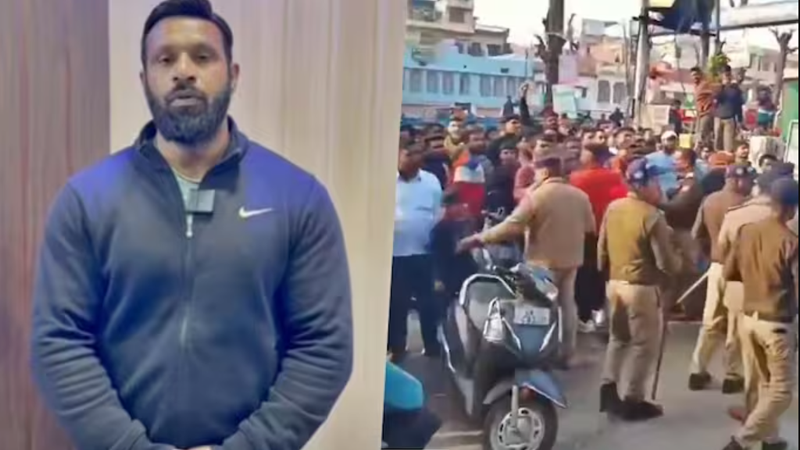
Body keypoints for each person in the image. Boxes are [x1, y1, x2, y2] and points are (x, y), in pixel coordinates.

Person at [30, 2, 353, 450]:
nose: (183, 71)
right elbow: (59, 342)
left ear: (233, 75)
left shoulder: (298, 197)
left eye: (202, 56)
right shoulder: (86, 200)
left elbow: (323, 346)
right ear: (144, 79)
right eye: (165, 59)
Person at [459, 150, 596, 367]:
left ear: (544, 171)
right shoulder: (580, 196)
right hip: (571, 260)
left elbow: (511, 226)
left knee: (537, 308)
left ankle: (538, 354)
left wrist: (478, 238)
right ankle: (567, 354)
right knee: (567, 305)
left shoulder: (537, 196)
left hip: (542, 263)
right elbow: (590, 227)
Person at [597, 157, 682, 421]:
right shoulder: (653, 217)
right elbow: (666, 263)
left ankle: (608, 386)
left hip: (615, 282)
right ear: (643, 185)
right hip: (641, 287)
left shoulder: (614, 208)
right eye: (656, 182)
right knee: (644, 345)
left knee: (618, 338)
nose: (659, 188)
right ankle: (633, 400)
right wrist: (677, 261)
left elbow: (602, 248)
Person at [721, 177, 798, 450]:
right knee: (782, 391)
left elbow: (729, 272)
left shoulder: (747, 231)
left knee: (766, 383)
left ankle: (770, 439)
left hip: (749, 317)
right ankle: (741, 441)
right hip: (777, 322)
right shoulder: (791, 242)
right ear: (791, 208)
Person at [688, 164, 757, 393]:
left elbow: (696, 234)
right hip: (738, 271)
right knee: (735, 323)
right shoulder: (746, 206)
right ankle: (732, 374)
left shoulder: (709, 201)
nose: (751, 185)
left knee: (710, 321)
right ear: (738, 180)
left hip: (716, 267)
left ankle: (697, 369)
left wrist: (706, 256)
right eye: (749, 180)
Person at [390, 136, 443, 361]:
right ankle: (397, 348)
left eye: (417, 153)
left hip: (424, 253)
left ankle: (432, 345)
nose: (413, 158)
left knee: (427, 302)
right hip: (395, 254)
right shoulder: (385, 180)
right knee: (397, 303)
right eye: (408, 153)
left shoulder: (431, 181)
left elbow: (438, 212)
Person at [570, 143, 628, 331]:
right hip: (610, 230)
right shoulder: (616, 178)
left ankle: (585, 315)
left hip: (584, 231)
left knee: (583, 274)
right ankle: (601, 310)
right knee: (603, 272)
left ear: (590, 157)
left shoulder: (577, 178)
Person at [714, 66, 745, 152]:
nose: (727, 77)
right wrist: (722, 85)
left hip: (730, 119)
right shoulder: (718, 87)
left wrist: (740, 120)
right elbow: (716, 98)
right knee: (717, 143)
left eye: (728, 75)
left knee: (728, 145)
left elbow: (739, 105)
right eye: (725, 75)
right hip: (718, 117)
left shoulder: (735, 89)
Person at [691, 66, 717, 146]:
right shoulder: (695, 86)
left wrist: (709, 104)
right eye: (693, 75)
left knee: (702, 134)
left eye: (696, 74)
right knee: (697, 134)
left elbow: (714, 92)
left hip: (706, 113)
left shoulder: (705, 84)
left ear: (700, 74)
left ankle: (702, 149)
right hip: (699, 114)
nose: (694, 77)